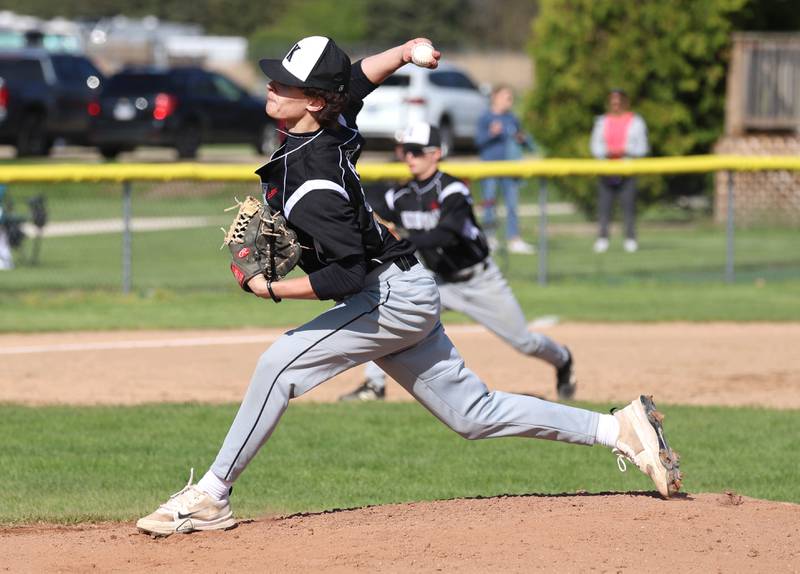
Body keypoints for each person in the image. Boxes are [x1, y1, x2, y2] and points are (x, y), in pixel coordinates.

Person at [136, 36, 681, 537]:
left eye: (287, 83)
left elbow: (346, 274)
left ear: (315, 101)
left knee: (278, 364)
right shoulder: (333, 122)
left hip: (386, 297)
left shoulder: (315, 184)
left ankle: (212, 494)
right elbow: (358, 78)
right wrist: (405, 50)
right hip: (406, 288)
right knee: (474, 414)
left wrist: (270, 291)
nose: (272, 86)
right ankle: (619, 430)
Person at [339, 122, 576, 403]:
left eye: (416, 151)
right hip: (438, 281)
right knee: (391, 313)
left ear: (436, 153)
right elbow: (368, 204)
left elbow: (447, 233)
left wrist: (404, 239)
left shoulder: (453, 190)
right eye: (405, 151)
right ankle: (374, 385)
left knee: (524, 341)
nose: (409, 158)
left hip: (480, 281)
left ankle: (563, 359)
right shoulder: (399, 196)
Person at [475, 85, 536, 255]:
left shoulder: (512, 118)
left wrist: (523, 139)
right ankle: (489, 239)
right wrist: (491, 134)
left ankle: (514, 239)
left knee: (512, 205)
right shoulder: (485, 118)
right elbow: (478, 142)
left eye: (511, 97)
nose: (509, 100)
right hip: (491, 168)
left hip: (510, 167)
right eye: (506, 96)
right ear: (495, 97)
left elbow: (525, 141)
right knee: (489, 205)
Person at [590, 89, 649, 253]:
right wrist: (607, 152)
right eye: (612, 102)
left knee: (628, 207)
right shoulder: (601, 121)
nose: (615, 105)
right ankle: (602, 238)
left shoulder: (636, 121)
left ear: (625, 102)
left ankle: (630, 239)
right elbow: (595, 146)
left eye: (618, 101)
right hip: (606, 169)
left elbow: (643, 147)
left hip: (627, 169)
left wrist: (625, 150)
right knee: (604, 207)